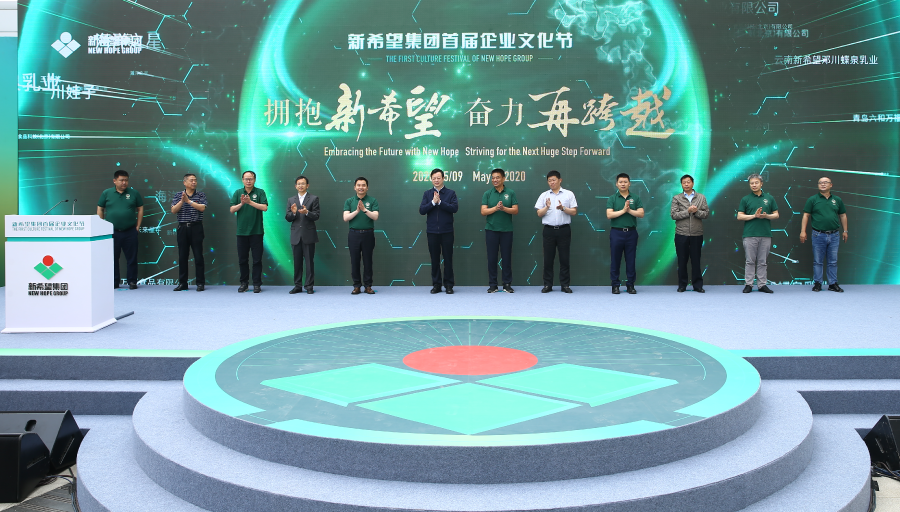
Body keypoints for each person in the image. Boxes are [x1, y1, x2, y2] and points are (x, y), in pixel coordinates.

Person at [800, 177, 848, 292]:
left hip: (834, 235)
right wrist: (803, 231)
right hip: (818, 234)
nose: (823, 184)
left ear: (831, 185)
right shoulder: (812, 199)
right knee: (818, 261)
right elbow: (806, 215)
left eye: (825, 182)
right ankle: (818, 283)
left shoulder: (837, 200)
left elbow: (842, 215)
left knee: (833, 261)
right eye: (820, 183)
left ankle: (833, 284)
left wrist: (845, 231)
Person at [97, 169, 143, 289]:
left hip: (130, 231)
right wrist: (102, 226)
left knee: (132, 258)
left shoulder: (134, 193)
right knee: (112, 258)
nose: (124, 183)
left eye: (126, 180)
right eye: (121, 180)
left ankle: (132, 281)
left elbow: (140, 208)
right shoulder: (107, 193)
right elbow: (100, 208)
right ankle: (114, 281)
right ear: (114, 181)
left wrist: (137, 226)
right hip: (112, 232)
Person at [535, 170, 578, 293]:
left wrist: (563, 208)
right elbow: (539, 213)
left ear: (560, 180)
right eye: (549, 181)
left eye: (554, 180)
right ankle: (547, 285)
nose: (551, 182)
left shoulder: (568, 194)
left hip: (564, 230)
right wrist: (547, 207)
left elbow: (574, 212)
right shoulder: (544, 195)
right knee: (548, 259)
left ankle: (565, 285)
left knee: (564, 259)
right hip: (548, 230)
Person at [737, 174, 779, 293]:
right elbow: (739, 216)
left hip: (765, 234)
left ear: (761, 184)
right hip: (749, 234)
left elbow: (776, 214)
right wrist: (754, 216)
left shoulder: (769, 198)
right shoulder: (745, 199)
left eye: (756, 183)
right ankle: (749, 284)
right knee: (750, 261)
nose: (754, 185)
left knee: (762, 262)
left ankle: (762, 285)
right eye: (751, 183)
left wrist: (766, 216)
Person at [419, 168, 459, 294]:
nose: (436, 180)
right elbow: (422, 210)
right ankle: (436, 284)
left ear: (443, 178)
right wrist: (432, 202)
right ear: (431, 179)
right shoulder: (427, 194)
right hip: (432, 232)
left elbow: (454, 208)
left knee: (448, 259)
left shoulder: (450, 193)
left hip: (447, 231)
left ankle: (449, 285)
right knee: (434, 259)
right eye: (434, 178)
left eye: (438, 178)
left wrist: (440, 202)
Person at [229, 171, 268, 293]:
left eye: (251, 178)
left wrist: (250, 202)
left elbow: (265, 207)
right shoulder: (238, 193)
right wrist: (241, 203)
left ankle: (257, 284)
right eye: (246, 179)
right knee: (242, 260)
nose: (248, 181)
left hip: (257, 231)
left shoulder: (260, 192)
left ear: (254, 180)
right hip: (242, 232)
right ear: (242, 180)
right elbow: (232, 209)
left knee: (257, 260)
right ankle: (244, 283)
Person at [670, 174, 710, 293]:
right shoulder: (677, 198)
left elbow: (706, 214)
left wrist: (696, 212)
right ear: (681, 184)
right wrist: (687, 211)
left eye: (688, 182)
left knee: (696, 260)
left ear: (693, 183)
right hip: (681, 234)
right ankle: (682, 285)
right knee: (682, 261)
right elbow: (674, 215)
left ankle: (697, 285)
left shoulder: (701, 197)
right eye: (684, 182)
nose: (686, 184)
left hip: (696, 234)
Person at [606, 173, 644, 294]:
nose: (623, 184)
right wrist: (623, 211)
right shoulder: (612, 198)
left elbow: (641, 214)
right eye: (620, 182)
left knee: (631, 260)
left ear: (629, 183)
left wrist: (629, 210)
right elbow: (609, 215)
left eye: (625, 182)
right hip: (616, 232)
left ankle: (630, 285)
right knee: (615, 259)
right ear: (617, 184)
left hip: (631, 233)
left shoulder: (635, 198)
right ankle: (615, 285)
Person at [481, 169, 519, 293]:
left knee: (506, 258)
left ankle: (507, 284)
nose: (495, 180)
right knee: (492, 258)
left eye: (497, 177)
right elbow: (483, 211)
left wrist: (504, 208)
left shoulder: (511, 192)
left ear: (503, 178)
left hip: (506, 230)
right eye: (493, 178)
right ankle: (493, 285)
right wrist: (496, 208)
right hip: (491, 230)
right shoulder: (487, 193)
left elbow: (515, 210)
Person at [170, 173, 207, 292]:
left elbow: (202, 208)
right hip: (182, 228)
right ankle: (183, 283)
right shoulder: (178, 195)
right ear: (184, 183)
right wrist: (182, 201)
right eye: (191, 180)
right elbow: (173, 210)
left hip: (196, 227)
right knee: (182, 256)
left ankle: (200, 283)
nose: (194, 182)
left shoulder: (201, 195)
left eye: (195, 180)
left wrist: (189, 201)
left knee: (198, 256)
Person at [343, 177, 379, 295]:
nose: (361, 187)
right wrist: (357, 211)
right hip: (354, 234)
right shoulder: (349, 201)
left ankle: (368, 286)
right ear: (355, 187)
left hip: (368, 234)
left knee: (368, 261)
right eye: (358, 185)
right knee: (355, 261)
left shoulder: (372, 200)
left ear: (367, 187)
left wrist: (364, 210)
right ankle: (357, 286)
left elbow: (375, 217)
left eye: (363, 185)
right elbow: (345, 218)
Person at [285, 176, 320, 294]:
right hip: (296, 235)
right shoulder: (291, 200)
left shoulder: (314, 198)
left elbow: (316, 216)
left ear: (307, 185)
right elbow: (288, 218)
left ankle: (309, 286)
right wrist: (294, 213)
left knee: (309, 262)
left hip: (308, 234)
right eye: (298, 184)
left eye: (303, 183)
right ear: (295, 186)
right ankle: (297, 286)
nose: (301, 185)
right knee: (297, 262)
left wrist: (307, 212)